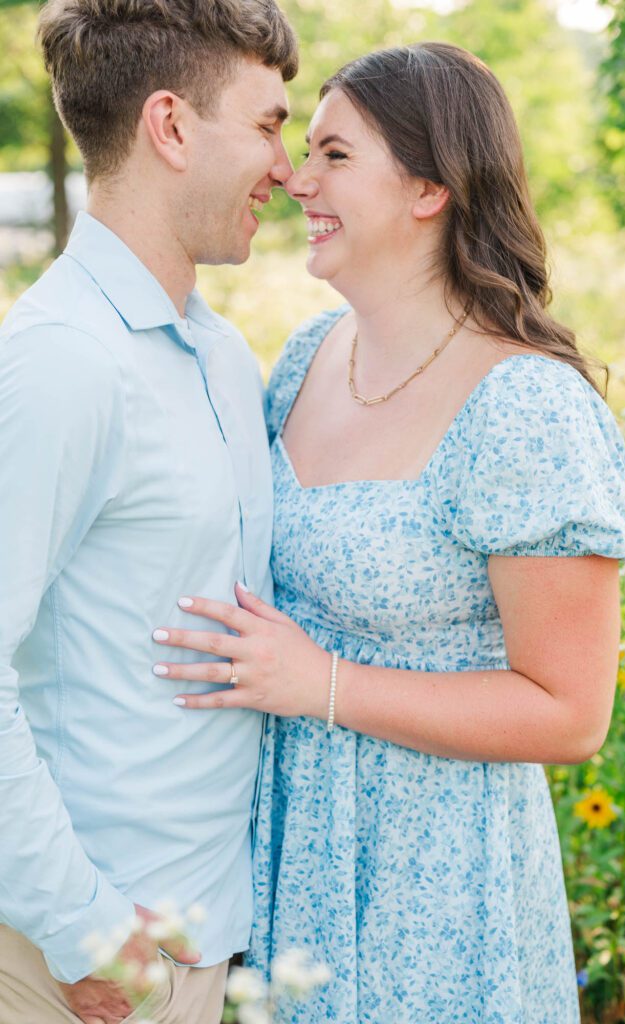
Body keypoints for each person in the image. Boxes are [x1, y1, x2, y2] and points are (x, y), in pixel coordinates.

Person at [152, 44, 625, 1023]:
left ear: (430, 186)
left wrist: (322, 684)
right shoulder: (303, 360)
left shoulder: (526, 407)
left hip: (439, 880)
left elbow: (571, 713)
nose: (297, 176)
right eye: (303, 149)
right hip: (290, 860)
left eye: (334, 154)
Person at [0, 0, 297, 1021]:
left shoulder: (218, 352)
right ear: (171, 126)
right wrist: (83, 929)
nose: (288, 168)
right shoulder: (61, 363)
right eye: (267, 124)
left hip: (200, 945)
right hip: (76, 966)